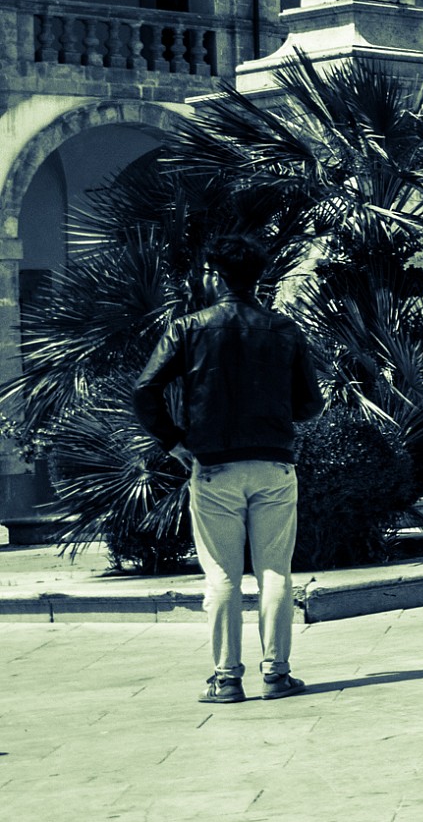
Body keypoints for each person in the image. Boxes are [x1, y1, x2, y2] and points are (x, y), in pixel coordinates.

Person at [132, 270, 325, 705]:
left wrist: (174, 440)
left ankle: (225, 679)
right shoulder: (283, 329)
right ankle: (276, 674)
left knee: (221, 576)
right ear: (256, 277)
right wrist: (272, 413)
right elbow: (311, 403)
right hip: (273, 461)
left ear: (215, 276)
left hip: (214, 465)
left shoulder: (188, 326)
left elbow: (146, 390)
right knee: (274, 570)